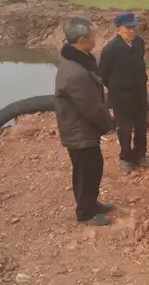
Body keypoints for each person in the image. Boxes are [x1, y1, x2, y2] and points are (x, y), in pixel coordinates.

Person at [55, 17, 114, 226]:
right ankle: (86, 212)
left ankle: (91, 203)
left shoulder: (79, 61)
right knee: (86, 172)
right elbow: (91, 107)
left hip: (82, 129)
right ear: (81, 40)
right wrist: (109, 123)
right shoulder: (76, 73)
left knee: (93, 167)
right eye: (93, 36)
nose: (95, 40)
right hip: (79, 131)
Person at [99, 12, 149, 174]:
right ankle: (126, 158)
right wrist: (118, 87)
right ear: (118, 29)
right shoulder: (110, 49)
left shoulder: (139, 43)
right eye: (127, 28)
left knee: (141, 127)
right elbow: (103, 75)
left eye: (133, 27)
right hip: (121, 98)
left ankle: (140, 155)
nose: (131, 31)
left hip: (139, 94)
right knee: (124, 129)